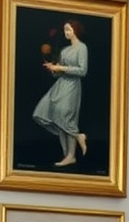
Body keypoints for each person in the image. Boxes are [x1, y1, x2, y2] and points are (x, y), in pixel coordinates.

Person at [32, 19, 88, 168]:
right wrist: (53, 68)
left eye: (69, 30)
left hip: (72, 86)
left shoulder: (82, 48)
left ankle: (71, 155)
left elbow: (82, 70)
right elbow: (58, 74)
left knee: (65, 116)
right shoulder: (64, 51)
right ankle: (73, 144)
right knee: (48, 112)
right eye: (65, 30)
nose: (66, 32)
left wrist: (61, 68)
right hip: (60, 85)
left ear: (75, 30)